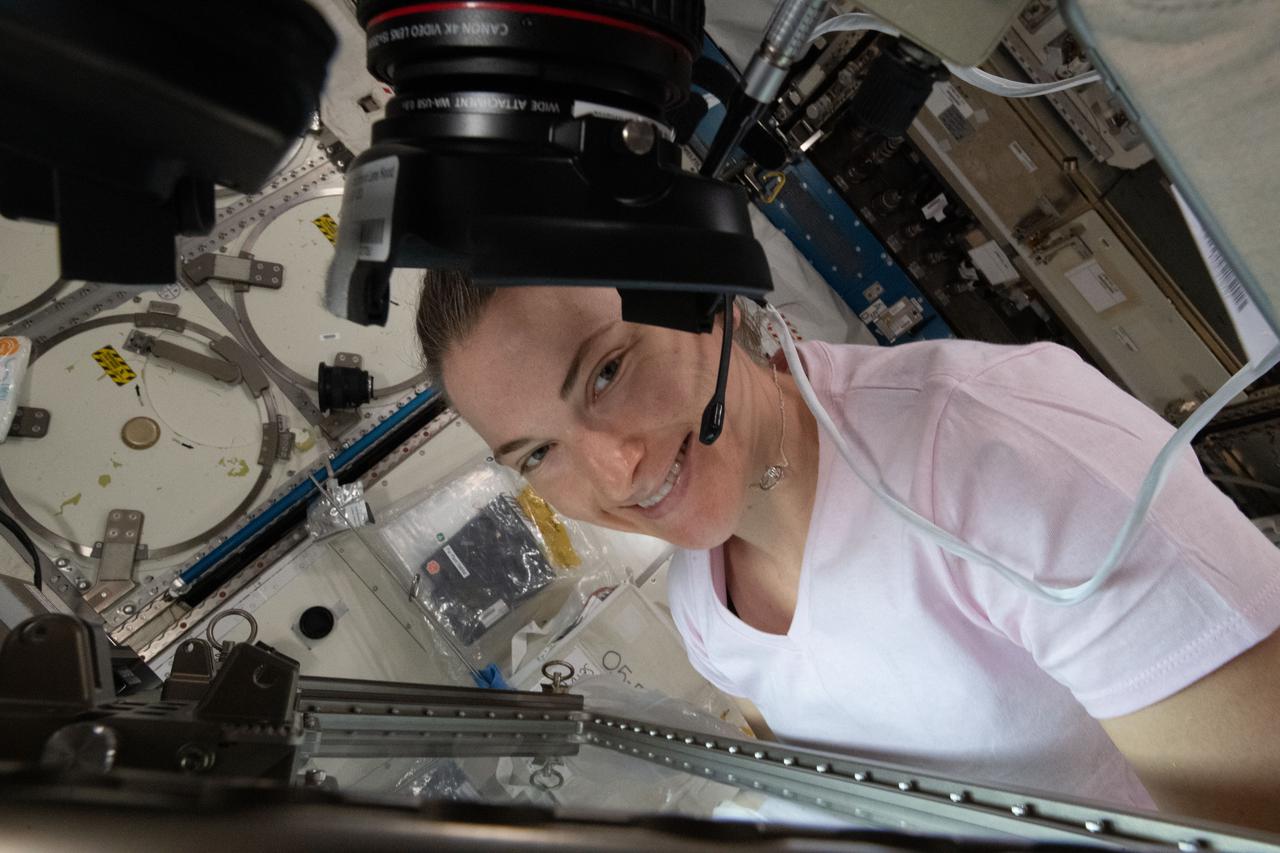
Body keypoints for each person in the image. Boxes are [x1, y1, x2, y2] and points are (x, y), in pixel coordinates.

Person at [418, 269, 1280, 831]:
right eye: (537, 454)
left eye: (607, 371)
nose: (613, 468)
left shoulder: (994, 458)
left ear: (703, 288)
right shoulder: (705, 607)